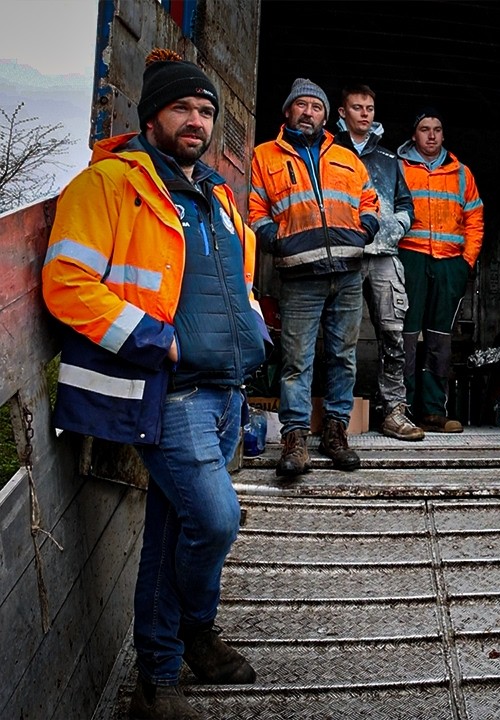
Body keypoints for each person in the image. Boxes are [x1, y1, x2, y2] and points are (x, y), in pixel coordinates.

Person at [43, 49, 265, 719]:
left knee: (174, 528)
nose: (196, 121)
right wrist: (151, 336)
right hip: (166, 391)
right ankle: (191, 634)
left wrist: (255, 333)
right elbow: (67, 284)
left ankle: (158, 673)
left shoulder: (219, 197)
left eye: (205, 111)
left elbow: (237, 283)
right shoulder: (109, 184)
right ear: (151, 116)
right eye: (182, 109)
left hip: (226, 389)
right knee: (216, 520)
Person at [250, 78, 379, 477]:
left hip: (348, 272)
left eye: (316, 107)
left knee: (343, 356)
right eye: (301, 105)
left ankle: (336, 432)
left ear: (326, 115)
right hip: (299, 275)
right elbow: (256, 211)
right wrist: (279, 241)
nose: (309, 113)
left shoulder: (346, 157)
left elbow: (370, 201)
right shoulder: (264, 156)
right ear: (288, 111)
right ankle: (295, 438)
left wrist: (365, 230)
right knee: (296, 360)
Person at [332, 84, 421, 441]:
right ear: (342, 112)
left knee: (393, 335)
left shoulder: (388, 160)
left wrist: (396, 227)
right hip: (344, 255)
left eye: (369, 108)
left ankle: (394, 412)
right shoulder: (329, 153)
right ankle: (337, 416)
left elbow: (406, 205)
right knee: (340, 337)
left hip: (383, 255)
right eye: (357, 107)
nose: (365, 114)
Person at [396, 106, 484, 433]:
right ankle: (400, 407)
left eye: (436, 129)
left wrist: (466, 262)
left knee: (439, 338)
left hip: (449, 263)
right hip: (411, 258)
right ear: (414, 134)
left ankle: (433, 410)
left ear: (443, 134)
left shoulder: (462, 173)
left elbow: (474, 219)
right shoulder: (399, 168)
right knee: (404, 334)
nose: (431, 135)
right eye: (424, 129)